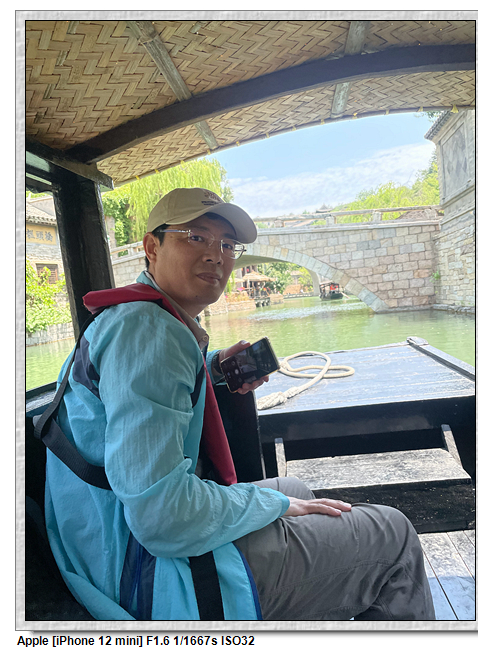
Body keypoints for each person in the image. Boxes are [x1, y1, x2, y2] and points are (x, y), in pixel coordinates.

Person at [45, 187, 435, 621]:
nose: (216, 255)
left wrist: (213, 368)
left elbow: (142, 394)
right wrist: (274, 507)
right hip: (140, 573)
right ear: (152, 247)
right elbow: (162, 518)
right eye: (196, 237)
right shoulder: (149, 334)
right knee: (393, 534)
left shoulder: (135, 319)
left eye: (228, 244)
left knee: (295, 490)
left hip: (93, 536)